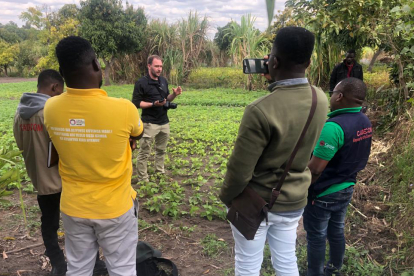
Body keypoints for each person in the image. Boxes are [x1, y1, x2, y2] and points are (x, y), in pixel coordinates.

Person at [219, 26, 329, 276]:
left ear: (273, 61)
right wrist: (278, 82)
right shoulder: (320, 99)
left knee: (247, 265)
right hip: (294, 201)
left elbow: (239, 172)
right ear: (308, 62)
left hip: (257, 203)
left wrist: (227, 198)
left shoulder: (259, 109)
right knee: (286, 260)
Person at [44, 36, 144, 276]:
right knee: (122, 270)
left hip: (73, 207)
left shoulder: (50, 108)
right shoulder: (124, 109)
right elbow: (137, 133)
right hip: (115, 209)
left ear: (62, 72)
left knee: (78, 269)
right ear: (97, 65)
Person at [304, 77, 372, 276]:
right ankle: (334, 268)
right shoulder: (364, 120)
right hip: (347, 186)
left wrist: (306, 189)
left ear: (340, 96)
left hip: (325, 192)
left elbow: (316, 169)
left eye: (333, 92)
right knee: (336, 230)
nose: (331, 96)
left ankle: (314, 273)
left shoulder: (333, 127)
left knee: (316, 236)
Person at [13, 69, 67, 275]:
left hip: (40, 181)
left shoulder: (20, 113)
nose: (60, 97)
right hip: (62, 179)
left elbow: (20, 144)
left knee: (49, 223)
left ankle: (58, 264)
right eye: (60, 92)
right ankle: (92, 262)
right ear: (54, 87)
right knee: (77, 223)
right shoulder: (50, 112)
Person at [132, 55, 182, 182]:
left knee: (161, 150)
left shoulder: (163, 81)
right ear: (149, 66)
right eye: (156, 66)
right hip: (149, 123)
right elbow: (137, 103)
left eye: (160, 66)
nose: (159, 69)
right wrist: (152, 104)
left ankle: (159, 172)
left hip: (164, 122)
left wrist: (174, 95)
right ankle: (143, 178)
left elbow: (166, 99)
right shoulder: (141, 83)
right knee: (144, 152)